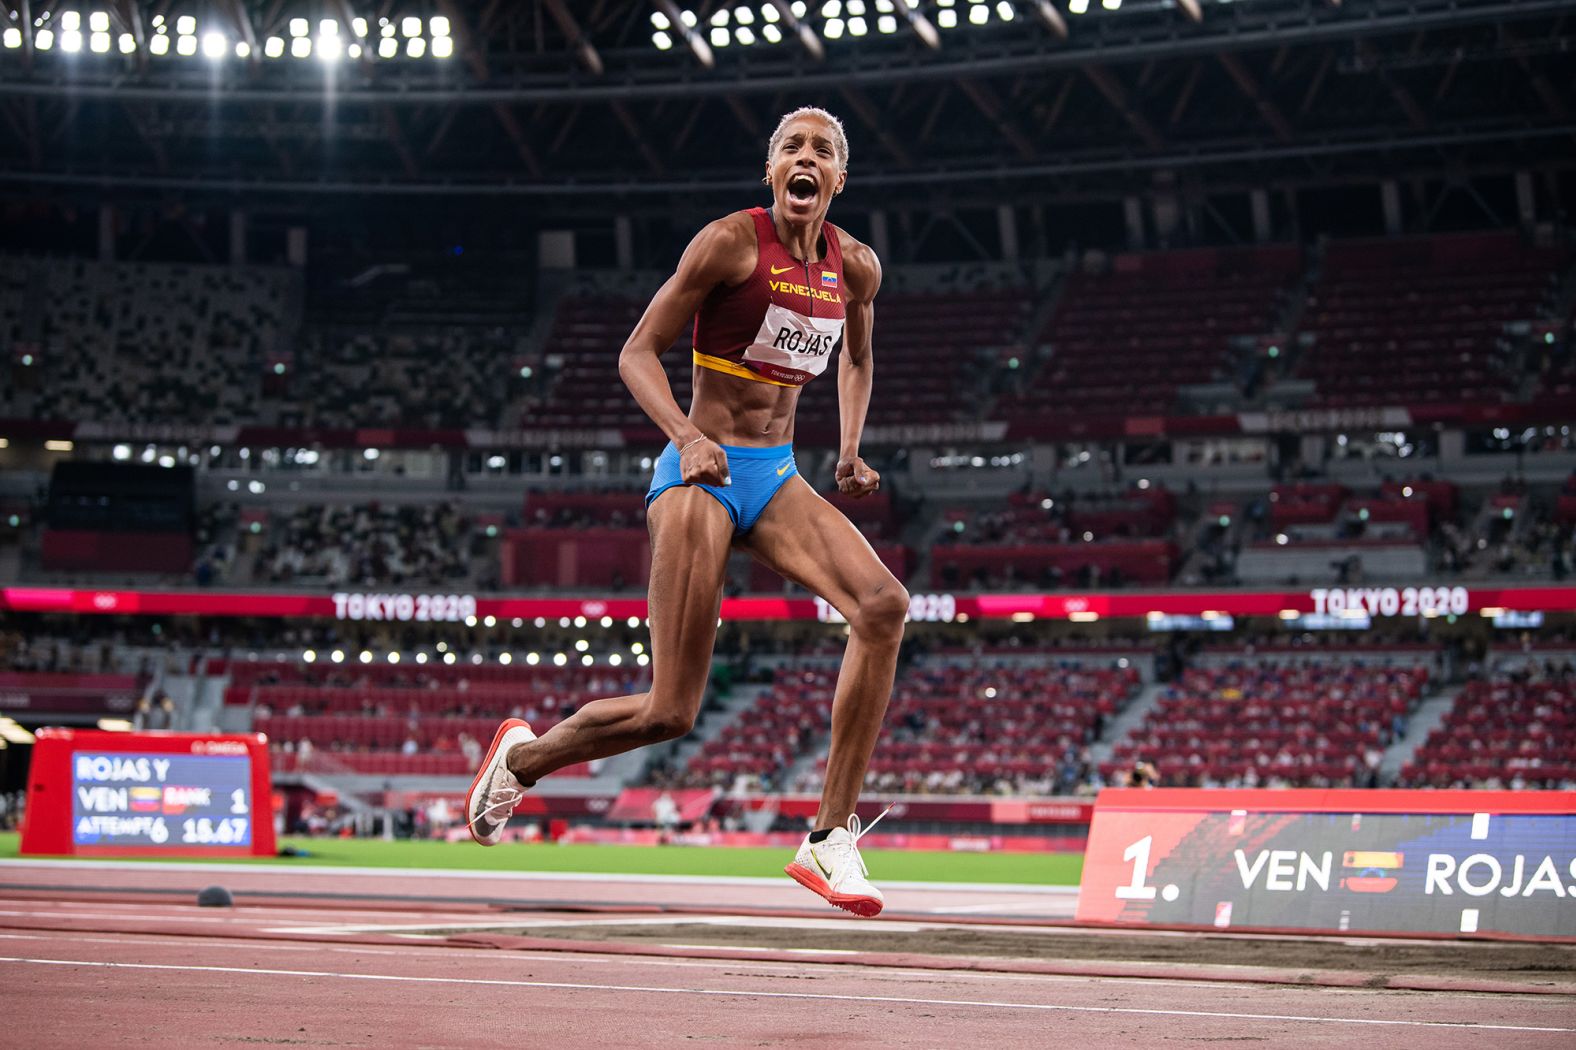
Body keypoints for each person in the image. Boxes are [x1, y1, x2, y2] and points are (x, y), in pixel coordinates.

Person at [468, 107, 908, 917]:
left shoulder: (857, 269)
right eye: (790, 148)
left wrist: (848, 449)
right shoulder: (728, 244)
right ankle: (525, 761)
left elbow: (860, 354)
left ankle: (828, 838)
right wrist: (684, 433)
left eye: (821, 152)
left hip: (774, 476)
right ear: (771, 171)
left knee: (883, 607)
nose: (804, 159)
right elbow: (637, 351)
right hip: (698, 474)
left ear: (840, 180)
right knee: (672, 711)